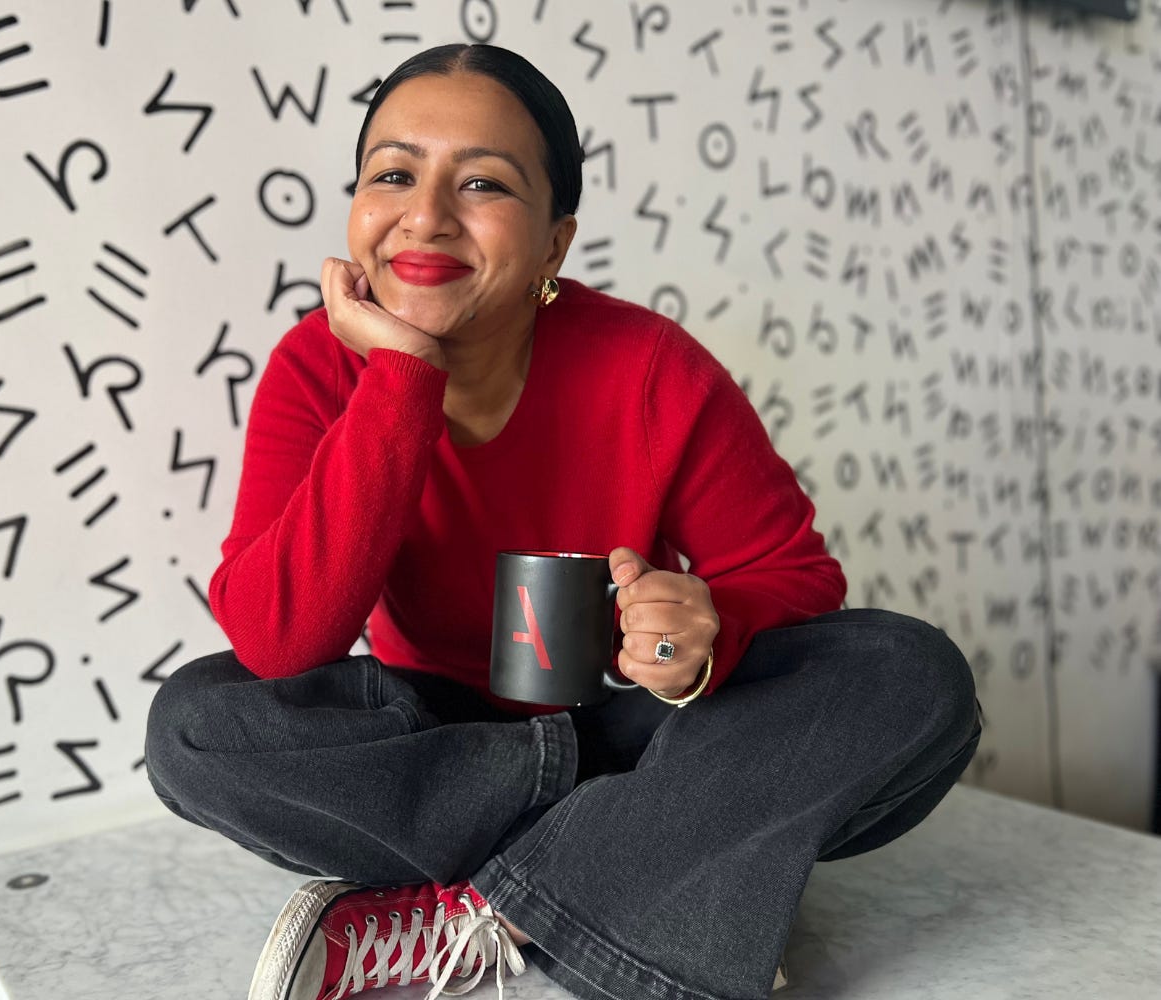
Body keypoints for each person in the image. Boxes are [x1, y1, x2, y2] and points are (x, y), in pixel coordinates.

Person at [145, 42, 980, 1000]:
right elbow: (280, 640)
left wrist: (703, 632)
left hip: (637, 734)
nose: (427, 214)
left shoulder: (649, 366)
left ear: (553, 244)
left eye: (484, 184)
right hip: (441, 753)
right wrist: (402, 379)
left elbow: (795, 575)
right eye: (394, 174)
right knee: (195, 728)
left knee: (911, 674)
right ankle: (641, 871)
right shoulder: (317, 367)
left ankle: (501, 908)